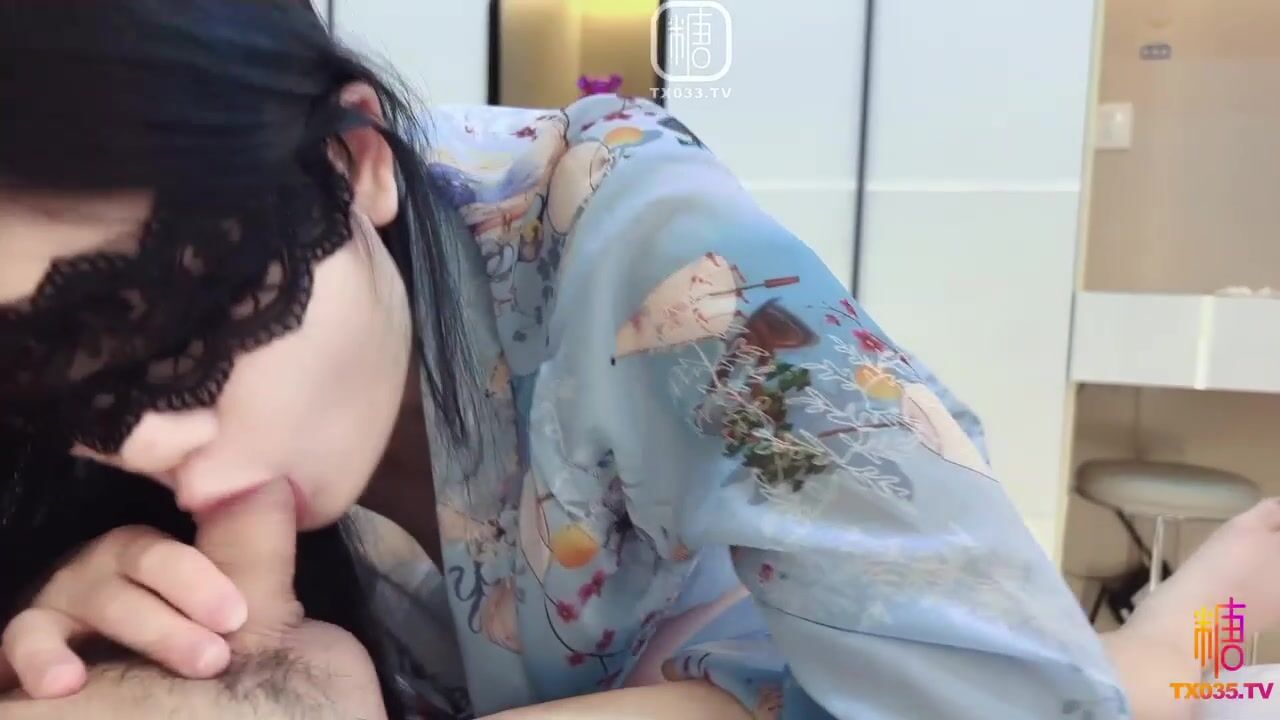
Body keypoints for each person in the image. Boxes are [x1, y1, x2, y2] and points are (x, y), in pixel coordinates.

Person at [0, 2, 1261, 719]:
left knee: (1175, 671)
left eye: (174, 325)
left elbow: (1011, 697)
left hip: (816, 666)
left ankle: (1217, 609)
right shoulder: (92, 480)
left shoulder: (638, 245)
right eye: (43, 376)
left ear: (352, 161)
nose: (141, 442)